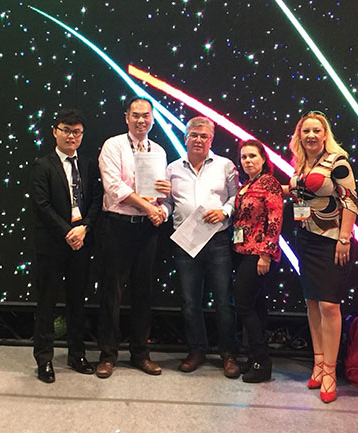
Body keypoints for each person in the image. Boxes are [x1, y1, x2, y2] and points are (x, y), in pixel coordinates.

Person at [286, 111, 358, 403]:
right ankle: (318, 363)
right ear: (299, 136)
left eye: (316, 130)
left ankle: (330, 371)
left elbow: (350, 201)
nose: (311, 135)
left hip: (332, 240)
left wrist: (344, 237)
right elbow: (302, 195)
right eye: (306, 131)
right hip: (306, 238)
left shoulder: (337, 162)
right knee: (312, 302)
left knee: (329, 304)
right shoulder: (302, 164)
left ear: (325, 134)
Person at [96, 97, 170, 378]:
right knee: (111, 293)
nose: (141, 120)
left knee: (143, 292)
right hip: (118, 226)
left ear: (152, 119)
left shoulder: (159, 151)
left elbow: (162, 194)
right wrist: (149, 207)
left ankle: (141, 353)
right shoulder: (113, 145)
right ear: (126, 117)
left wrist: (161, 206)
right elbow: (114, 187)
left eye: (146, 115)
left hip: (147, 228)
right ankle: (107, 355)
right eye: (136, 115)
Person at [161, 116, 241, 378]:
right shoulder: (172, 168)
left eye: (203, 136)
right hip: (185, 241)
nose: (198, 140)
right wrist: (161, 212)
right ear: (185, 138)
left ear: (211, 139)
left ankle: (228, 354)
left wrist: (224, 211)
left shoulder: (225, 165)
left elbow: (236, 197)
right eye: (194, 135)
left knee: (223, 300)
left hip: (217, 240)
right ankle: (196, 350)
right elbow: (168, 202)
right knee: (189, 301)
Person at [30, 108, 103, 383]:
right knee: (47, 303)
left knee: (77, 302)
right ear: (55, 132)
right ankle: (44, 359)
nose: (72, 136)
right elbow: (41, 205)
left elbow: (96, 200)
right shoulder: (43, 165)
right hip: (52, 244)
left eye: (77, 132)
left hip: (81, 242)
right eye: (66, 131)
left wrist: (85, 228)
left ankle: (77, 354)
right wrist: (68, 232)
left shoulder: (88, 164)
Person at [233, 140, 283, 383]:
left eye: (252, 156)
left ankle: (262, 361)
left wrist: (266, 254)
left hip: (258, 253)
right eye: (244, 157)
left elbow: (275, 220)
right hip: (243, 250)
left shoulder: (269, 184)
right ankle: (255, 357)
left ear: (263, 158)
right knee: (256, 306)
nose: (248, 161)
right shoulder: (247, 184)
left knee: (243, 305)